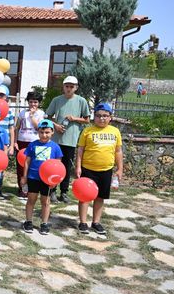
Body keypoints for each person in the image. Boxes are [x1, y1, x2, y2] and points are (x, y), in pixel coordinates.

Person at [75, 103, 123, 235]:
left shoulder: (115, 131)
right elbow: (80, 150)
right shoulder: (88, 131)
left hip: (106, 170)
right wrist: (78, 166)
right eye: (98, 116)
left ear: (110, 117)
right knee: (85, 196)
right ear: (94, 117)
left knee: (100, 197)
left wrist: (119, 169)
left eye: (105, 116)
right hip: (88, 169)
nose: (101, 119)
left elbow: (118, 151)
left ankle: (96, 222)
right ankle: (83, 222)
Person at [46, 76, 90, 204]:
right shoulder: (56, 100)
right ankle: (52, 191)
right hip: (56, 140)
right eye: (67, 86)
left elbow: (87, 119)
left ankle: (64, 192)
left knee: (66, 167)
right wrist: (56, 126)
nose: (69, 89)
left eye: (72, 86)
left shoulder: (81, 101)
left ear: (76, 88)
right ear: (63, 87)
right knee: (54, 167)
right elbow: (48, 116)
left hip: (71, 140)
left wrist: (74, 118)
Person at [19, 120, 63, 235]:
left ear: (52, 132)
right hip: (33, 177)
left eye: (47, 132)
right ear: (38, 132)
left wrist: (55, 181)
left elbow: (58, 166)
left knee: (46, 201)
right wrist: (24, 176)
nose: (44, 135)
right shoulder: (32, 145)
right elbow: (27, 161)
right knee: (31, 200)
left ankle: (44, 223)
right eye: (42, 132)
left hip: (47, 180)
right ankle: (28, 221)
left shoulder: (56, 147)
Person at [15, 91, 45, 198]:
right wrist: (15, 142)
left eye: (35, 102)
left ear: (39, 103)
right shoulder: (22, 113)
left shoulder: (41, 113)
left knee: (33, 165)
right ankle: (22, 188)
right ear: (28, 102)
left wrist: (32, 116)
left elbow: (39, 128)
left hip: (35, 142)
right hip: (22, 141)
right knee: (21, 166)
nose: (33, 104)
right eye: (31, 102)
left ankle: (33, 188)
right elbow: (17, 127)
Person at [0, 86, 15, 199]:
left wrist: (12, 145)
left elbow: (11, 128)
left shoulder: (9, 111)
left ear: (6, 97)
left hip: (3, 143)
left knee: (1, 164)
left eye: (2, 95)